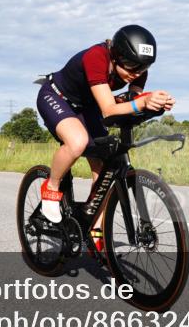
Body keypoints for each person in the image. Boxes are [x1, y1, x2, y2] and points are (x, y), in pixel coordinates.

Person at [35, 25, 175, 252]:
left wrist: (154, 104)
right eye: (131, 65)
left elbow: (131, 100)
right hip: (57, 97)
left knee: (104, 168)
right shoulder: (96, 57)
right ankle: (51, 187)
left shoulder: (138, 69)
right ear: (117, 55)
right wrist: (141, 101)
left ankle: (95, 230)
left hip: (88, 107)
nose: (136, 72)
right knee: (78, 142)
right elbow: (109, 109)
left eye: (144, 67)